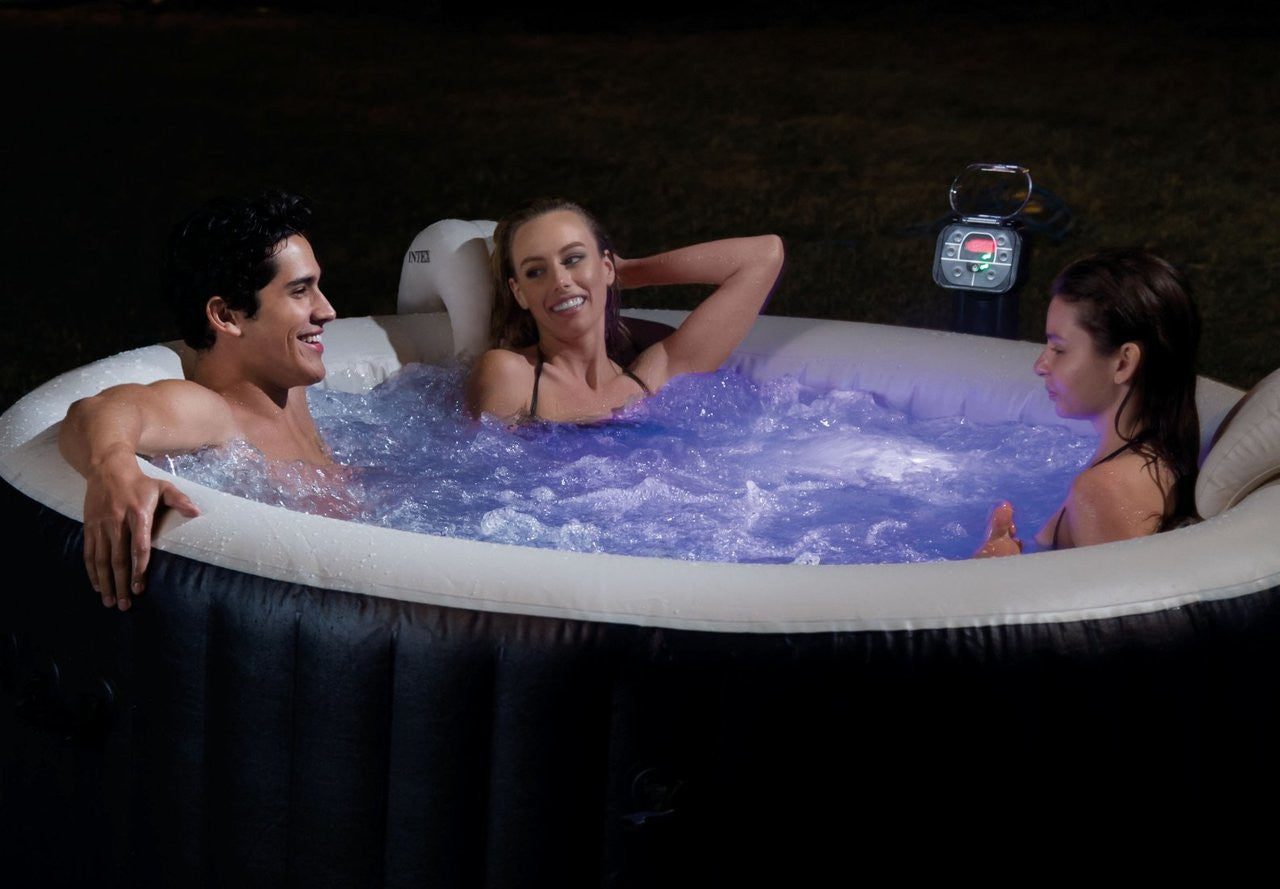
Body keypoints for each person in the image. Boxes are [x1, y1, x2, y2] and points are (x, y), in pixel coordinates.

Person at [59, 190, 337, 609]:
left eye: (317, 286)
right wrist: (111, 468)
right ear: (226, 316)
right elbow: (97, 410)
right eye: (300, 291)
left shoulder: (286, 384)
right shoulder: (216, 413)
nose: (327, 310)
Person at [465, 198, 784, 422]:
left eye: (573, 259)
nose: (560, 281)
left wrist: (628, 272)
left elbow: (763, 256)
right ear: (520, 293)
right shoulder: (510, 375)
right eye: (536, 272)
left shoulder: (655, 377)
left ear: (606, 267)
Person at [975, 248, 1201, 557]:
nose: (1040, 365)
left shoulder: (1105, 490)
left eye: (1059, 349)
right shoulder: (1159, 455)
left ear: (1123, 363)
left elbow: (1126, 589)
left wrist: (997, 570)